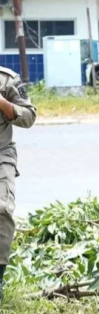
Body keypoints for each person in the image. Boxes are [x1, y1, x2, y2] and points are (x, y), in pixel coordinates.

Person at [0, 67, 36, 301]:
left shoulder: (7, 79)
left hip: (1, 153)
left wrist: (2, 103)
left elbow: (29, 116)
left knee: (2, 209)